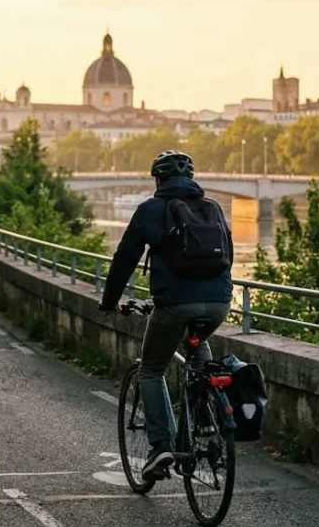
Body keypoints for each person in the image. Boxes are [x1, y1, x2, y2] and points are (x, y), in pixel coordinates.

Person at [98, 150, 233, 480]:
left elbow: (125, 259)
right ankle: (204, 418)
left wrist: (109, 301)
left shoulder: (150, 210)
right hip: (219, 303)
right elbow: (228, 255)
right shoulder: (212, 208)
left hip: (174, 304)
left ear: (158, 180)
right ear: (192, 178)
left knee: (151, 369)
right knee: (199, 352)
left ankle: (162, 448)